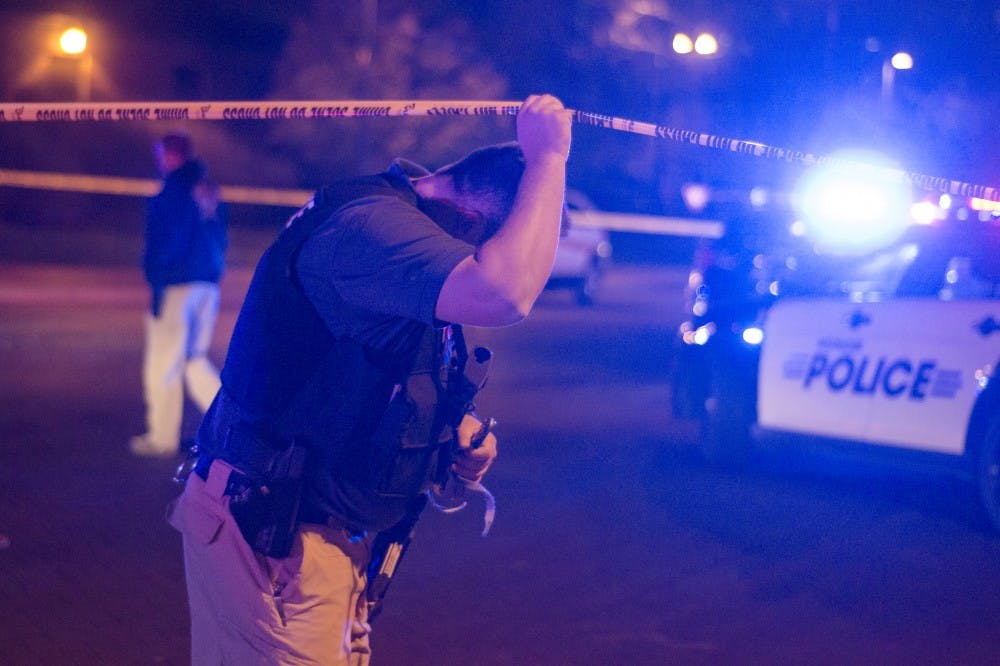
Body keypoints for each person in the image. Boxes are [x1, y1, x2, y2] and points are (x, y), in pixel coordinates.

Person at [165, 94, 572, 664]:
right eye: (490, 247)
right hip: (270, 541)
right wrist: (549, 157)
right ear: (470, 222)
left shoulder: (396, 241)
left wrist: (452, 428)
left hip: (317, 545)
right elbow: (505, 292)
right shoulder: (372, 228)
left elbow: (375, 366)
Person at [130, 133, 228, 458]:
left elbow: (168, 241)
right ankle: (232, 427)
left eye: (162, 155)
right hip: (207, 286)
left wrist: (157, 275)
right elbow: (217, 237)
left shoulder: (173, 192)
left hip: (177, 286)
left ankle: (162, 438)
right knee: (193, 362)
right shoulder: (207, 189)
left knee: (163, 366)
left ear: (172, 156)